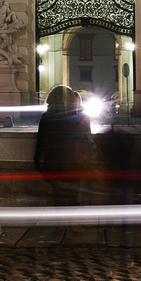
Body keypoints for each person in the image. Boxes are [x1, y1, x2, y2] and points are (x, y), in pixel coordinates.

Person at [34, 85, 95, 220]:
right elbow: (82, 138)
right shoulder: (75, 117)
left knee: (58, 195)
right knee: (73, 194)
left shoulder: (46, 117)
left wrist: (38, 162)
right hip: (71, 160)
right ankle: (74, 224)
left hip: (52, 161)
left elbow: (41, 141)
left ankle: (60, 224)